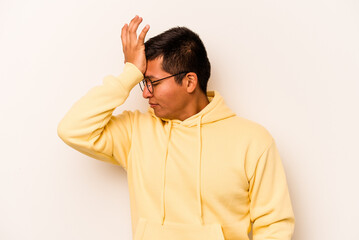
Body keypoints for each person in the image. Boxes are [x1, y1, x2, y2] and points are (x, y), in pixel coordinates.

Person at [57, 15, 295, 240]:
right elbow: (72, 129)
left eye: (153, 82)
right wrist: (130, 73)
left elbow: (274, 226)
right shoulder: (135, 132)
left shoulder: (253, 141)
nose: (146, 93)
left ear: (190, 81)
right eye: (143, 82)